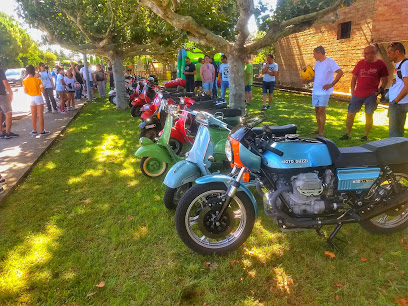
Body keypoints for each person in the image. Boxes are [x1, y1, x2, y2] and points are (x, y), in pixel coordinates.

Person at [339, 45, 389, 141]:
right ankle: (347, 133)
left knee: (368, 114)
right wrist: (352, 90)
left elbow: (385, 79)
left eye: (367, 54)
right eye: (364, 53)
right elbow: (354, 77)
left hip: (371, 95)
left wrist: (380, 90)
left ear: (374, 53)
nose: (364, 56)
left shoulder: (381, 64)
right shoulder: (360, 63)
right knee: (350, 114)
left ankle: (365, 135)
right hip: (358, 94)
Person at [303, 46, 343, 137]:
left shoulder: (330, 62)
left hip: (325, 91)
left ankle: (321, 132)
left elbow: (340, 72)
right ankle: (318, 128)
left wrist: (331, 84)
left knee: (321, 110)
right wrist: (308, 80)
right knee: (317, 110)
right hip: (316, 90)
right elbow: (316, 76)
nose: (313, 56)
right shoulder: (317, 63)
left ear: (319, 53)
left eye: (314, 54)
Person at [387, 42, 408, 137]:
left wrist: (395, 101)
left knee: (395, 135)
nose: (388, 56)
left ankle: (397, 152)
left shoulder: (405, 64)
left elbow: (407, 86)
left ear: (397, 52)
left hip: (399, 104)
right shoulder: (399, 65)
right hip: (396, 102)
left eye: (389, 53)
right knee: (394, 133)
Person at [23, 65, 50, 136]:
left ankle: (34, 130)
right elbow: (43, 91)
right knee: (40, 115)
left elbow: (25, 91)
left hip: (31, 97)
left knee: (33, 115)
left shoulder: (24, 81)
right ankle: (42, 131)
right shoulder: (38, 80)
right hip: (38, 97)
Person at [0, 60, 18, 139]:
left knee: (0, 114)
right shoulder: (0, 71)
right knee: (8, 113)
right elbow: (5, 82)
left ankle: (1, 132)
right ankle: (7, 132)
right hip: (2, 95)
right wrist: (11, 92)